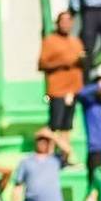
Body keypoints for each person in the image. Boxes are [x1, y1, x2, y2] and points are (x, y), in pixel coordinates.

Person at [37, 11, 85, 147]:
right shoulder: (50, 41)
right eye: (63, 21)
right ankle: (48, 151)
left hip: (73, 90)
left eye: (68, 21)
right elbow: (42, 64)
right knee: (54, 124)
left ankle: (64, 153)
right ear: (57, 23)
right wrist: (63, 62)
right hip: (57, 90)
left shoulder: (76, 42)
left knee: (67, 125)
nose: (66, 24)